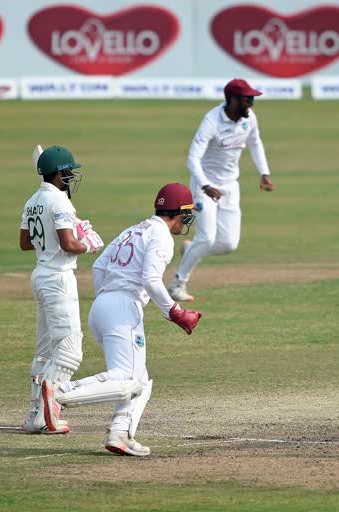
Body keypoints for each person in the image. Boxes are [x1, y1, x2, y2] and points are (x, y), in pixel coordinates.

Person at [41, 183, 203, 456]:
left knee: (140, 381)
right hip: (121, 308)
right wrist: (174, 311)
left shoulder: (134, 229)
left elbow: (99, 266)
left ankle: (120, 433)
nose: (186, 221)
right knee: (126, 379)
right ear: (179, 213)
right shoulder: (161, 236)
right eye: (186, 215)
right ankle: (60, 392)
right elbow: (151, 280)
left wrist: (108, 297)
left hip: (104, 305)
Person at [19, 145, 104, 434]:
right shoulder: (61, 204)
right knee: (69, 351)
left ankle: (35, 416)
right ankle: (50, 408)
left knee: (44, 351)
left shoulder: (32, 201)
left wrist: (68, 234)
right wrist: (87, 243)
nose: (70, 176)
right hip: (58, 278)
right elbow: (69, 245)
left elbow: (25, 242)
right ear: (57, 174)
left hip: (40, 275)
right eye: (68, 172)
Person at [167, 78, 274, 302]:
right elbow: (192, 159)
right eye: (248, 99)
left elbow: (255, 143)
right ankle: (177, 285)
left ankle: (190, 251)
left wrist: (264, 172)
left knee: (228, 243)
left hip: (230, 186)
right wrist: (206, 185)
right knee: (206, 238)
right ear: (233, 99)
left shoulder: (249, 118)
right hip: (204, 187)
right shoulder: (211, 121)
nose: (252, 103)